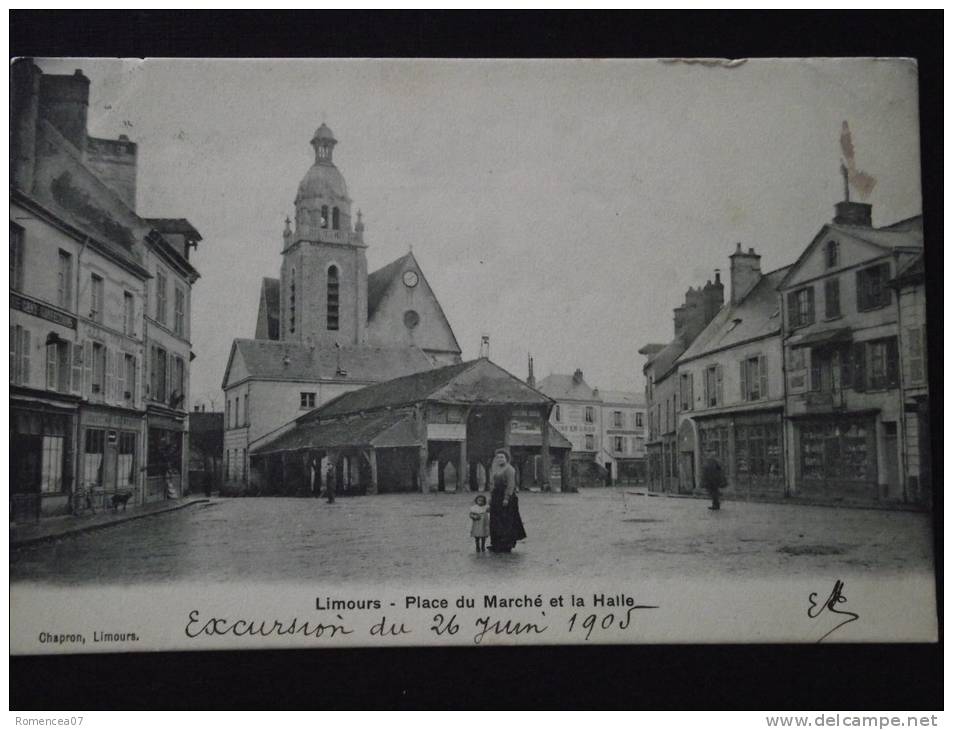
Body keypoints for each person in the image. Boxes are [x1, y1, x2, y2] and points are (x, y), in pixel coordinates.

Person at [488, 448, 526, 553]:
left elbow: (511, 485)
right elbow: (492, 484)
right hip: (496, 496)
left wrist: (506, 498)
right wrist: (491, 497)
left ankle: (506, 544)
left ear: (507, 458)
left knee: (506, 521)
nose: (500, 459)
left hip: (506, 497)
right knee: (496, 520)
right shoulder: (496, 469)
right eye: (498, 457)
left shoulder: (509, 469)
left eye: (502, 457)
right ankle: (496, 543)